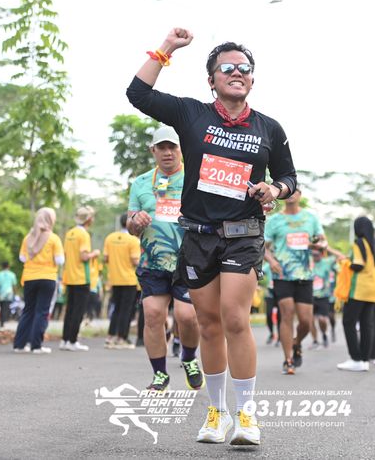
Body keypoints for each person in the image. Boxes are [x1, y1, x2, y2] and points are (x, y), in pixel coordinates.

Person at [127, 29, 297, 446]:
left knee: (235, 319)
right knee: (207, 324)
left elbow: (289, 177)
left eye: (245, 68)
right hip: (198, 235)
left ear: (252, 79)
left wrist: (274, 189)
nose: (237, 72)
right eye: (227, 67)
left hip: (243, 235)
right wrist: (167, 47)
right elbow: (138, 93)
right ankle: (216, 412)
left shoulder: (269, 128)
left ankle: (246, 415)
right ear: (211, 79)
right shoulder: (192, 115)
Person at [127, 125, 204, 391]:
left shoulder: (195, 178)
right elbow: (130, 223)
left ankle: (189, 358)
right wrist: (135, 221)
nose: (167, 152)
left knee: (187, 316)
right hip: (152, 261)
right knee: (152, 314)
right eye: (162, 147)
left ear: (181, 150)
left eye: (172, 147)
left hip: (188, 260)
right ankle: (160, 374)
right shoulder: (140, 183)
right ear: (153, 151)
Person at [264, 188, 327, 375]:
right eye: (288, 191)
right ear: (282, 196)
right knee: (287, 314)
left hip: (305, 275)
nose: (291, 194)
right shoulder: (274, 220)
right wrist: (272, 261)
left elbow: (323, 242)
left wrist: (318, 244)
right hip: (282, 275)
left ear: (300, 195)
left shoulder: (311, 218)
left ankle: (297, 342)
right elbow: (262, 246)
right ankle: (288, 359)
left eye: (295, 191)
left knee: (306, 322)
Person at [14, 207, 64, 354]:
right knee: (41, 312)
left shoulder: (28, 238)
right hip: (47, 278)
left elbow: (22, 258)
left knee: (28, 310)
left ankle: (19, 345)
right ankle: (36, 345)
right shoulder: (54, 238)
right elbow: (60, 260)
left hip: (29, 278)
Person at [337, 217, 375, 371]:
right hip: (373, 290)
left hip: (359, 289)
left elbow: (358, 266)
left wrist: (345, 263)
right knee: (366, 325)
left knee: (348, 322)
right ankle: (364, 360)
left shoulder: (359, 243)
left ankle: (355, 358)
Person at [61, 206, 101, 352]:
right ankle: (72, 341)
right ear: (89, 219)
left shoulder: (69, 233)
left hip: (69, 276)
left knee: (69, 310)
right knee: (78, 311)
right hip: (81, 277)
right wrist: (95, 253)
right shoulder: (84, 234)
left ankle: (65, 340)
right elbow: (84, 256)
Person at [104, 213, 141, 349]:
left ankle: (110, 336)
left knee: (116, 309)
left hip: (114, 279)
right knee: (126, 310)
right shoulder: (133, 240)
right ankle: (122, 338)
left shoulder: (110, 238)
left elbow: (106, 258)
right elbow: (135, 261)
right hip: (129, 280)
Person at [310, 249, 339, 349]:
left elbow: (340, 257)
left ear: (322, 254)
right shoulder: (308, 262)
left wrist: (327, 247)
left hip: (325, 296)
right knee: (310, 319)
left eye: (317, 254)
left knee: (323, 319)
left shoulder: (327, 262)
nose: (315, 257)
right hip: (310, 295)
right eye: (313, 255)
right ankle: (315, 340)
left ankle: (324, 334)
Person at [0, 261, 18, 329]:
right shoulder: (12, 275)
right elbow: (14, 285)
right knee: (6, 307)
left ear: (2, 266)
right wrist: (15, 293)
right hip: (9, 294)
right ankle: (3, 321)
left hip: (0, 294)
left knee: (2, 307)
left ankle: (2, 322)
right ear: (8, 266)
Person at [261, 262, 279, 345]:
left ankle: (280, 337)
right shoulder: (268, 265)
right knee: (268, 314)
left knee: (280, 316)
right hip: (270, 292)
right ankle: (272, 333)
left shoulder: (283, 263)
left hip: (281, 292)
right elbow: (261, 272)